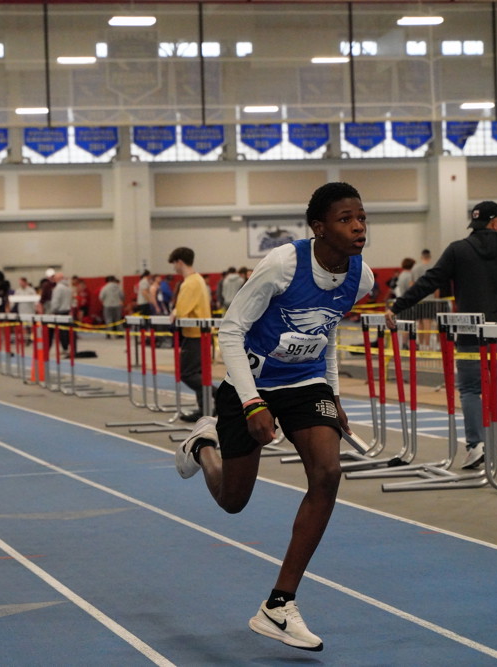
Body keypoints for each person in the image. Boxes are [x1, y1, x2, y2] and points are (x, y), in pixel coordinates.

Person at [175, 182, 373, 652]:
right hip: (252, 383)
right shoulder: (284, 263)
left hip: (306, 382)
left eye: (362, 217)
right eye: (346, 219)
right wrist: (251, 403)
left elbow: (326, 334)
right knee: (233, 500)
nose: (358, 227)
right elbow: (231, 330)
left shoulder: (360, 278)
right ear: (319, 227)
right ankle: (203, 446)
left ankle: (279, 605)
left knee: (328, 473)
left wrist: (334, 394)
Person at [385, 200, 497, 469]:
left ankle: (476, 445)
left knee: (469, 390)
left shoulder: (458, 250)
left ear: (475, 224)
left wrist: (397, 306)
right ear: (496, 222)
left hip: (469, 331)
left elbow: (430, 281)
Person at [169, 247, 213, 422]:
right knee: (197, 372)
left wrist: (174, 312)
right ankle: (204, 409)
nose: (174, 268)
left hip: (195, 335)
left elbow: (182, 312)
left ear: (179, 262)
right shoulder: (198, 279)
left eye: (174, 264)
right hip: (201, 334)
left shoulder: (189, 283)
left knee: (186, 373)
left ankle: (220, 396)